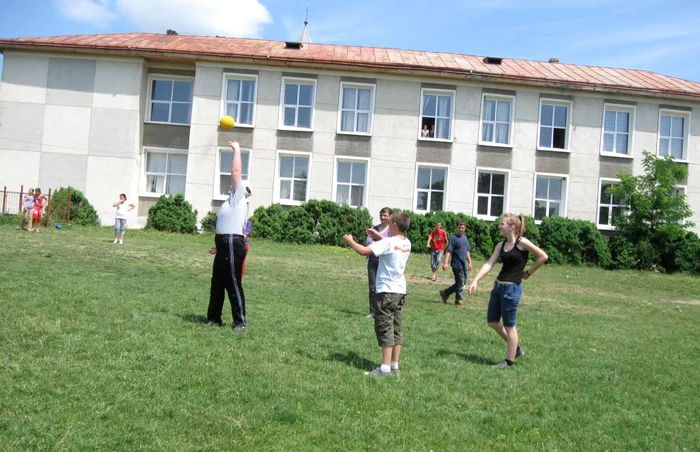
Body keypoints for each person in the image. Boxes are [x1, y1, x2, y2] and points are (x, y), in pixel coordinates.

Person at [467, 213, 548, 369]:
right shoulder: (501, 245)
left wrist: (529, 272)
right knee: (492, 322)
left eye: (502, 223)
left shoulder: (522, 243)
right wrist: (475, 280)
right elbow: (489, 264)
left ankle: (509, 362)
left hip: (512, 289)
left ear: (512, 227)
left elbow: (543, 256)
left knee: (510, 326)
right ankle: (515, 348)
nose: (499, 226)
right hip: (498, 287)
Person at [343, 211, 412, 377]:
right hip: (400, 291)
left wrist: (350, 241)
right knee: (396, 328)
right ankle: (394, 365)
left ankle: (384, 369)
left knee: (385, 328)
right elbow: (390, 244)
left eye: (390, 223)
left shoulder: (388, 242)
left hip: (386, 292)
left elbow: (364, 251)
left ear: (394, 225)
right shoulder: (406, 242)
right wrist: (378, 235)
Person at [206, 141, 252, 333]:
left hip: (233, 243)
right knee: (217, 282)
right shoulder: (231, 203)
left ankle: (240, 321)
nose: (234, 184)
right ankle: (214, 318)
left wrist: (237, 150)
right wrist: (219, 247)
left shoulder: (237, 198)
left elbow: (235, 171)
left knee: (233, 283)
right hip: (225, 245)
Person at [365, 207, 392, 318]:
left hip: (384, 263)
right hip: (373, 261)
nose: (383, 217)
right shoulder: (374, 228)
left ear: (390, 217)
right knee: (372, 287)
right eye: (381, 215)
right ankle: (372, 312)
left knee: (384, 287)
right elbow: (368, 243)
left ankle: (383, 311)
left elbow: (390, 245)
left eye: (385, 215)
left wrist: (377, 242)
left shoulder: (391, 231)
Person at [439, 220, 473, 307]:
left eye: (463, 228)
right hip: (456, 265)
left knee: (461, 283)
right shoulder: (453, 238)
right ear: (456, 228)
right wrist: (445, 263)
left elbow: (467, 251)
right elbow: (449, 251)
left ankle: (445, 293)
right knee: (461, 282)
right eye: (459, 227)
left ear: (465, 228)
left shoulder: (465, 238)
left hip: (463, 264)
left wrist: (470, 262)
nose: (461, 229)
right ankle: (459, 301)